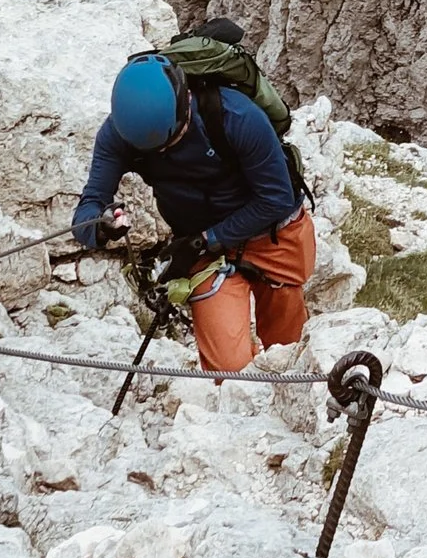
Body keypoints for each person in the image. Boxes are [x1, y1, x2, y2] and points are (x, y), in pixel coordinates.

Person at [71, 50, 317, 373]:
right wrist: (102, 227)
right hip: (204, 250)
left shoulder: (236, 116)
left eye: (172, 141)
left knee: (289, 356)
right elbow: (85, 215)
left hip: (269, 233)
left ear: (186, 101)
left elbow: (276, 199)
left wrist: (207, 238)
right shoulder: (121, 135)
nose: (165, 152)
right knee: (230, 374)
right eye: (156, 150)